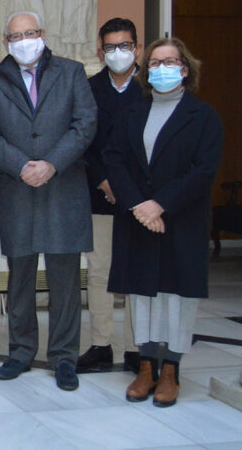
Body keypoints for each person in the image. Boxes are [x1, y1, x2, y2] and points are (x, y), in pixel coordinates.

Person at [0, 10, 96, 391]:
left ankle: (64, 358)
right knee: (20, 278)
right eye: (15, 36)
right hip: (17, 187)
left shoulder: (72, 72)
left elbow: (85, 123)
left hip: (63, 188)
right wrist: (20, 164)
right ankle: (21, 351)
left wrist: (52, 164)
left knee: (64, 281)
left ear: (42, 34)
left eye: (29, 33)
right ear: (6, 41)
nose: (23, 40)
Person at [105, 37, 222, 408]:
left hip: (180, 221)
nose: (162, 68)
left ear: (185, 69)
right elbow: (114, 159)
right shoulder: (132, 113)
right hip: (138, 219)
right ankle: (145, 368)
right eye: (155, 62)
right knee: (142, 297)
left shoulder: (203, 117)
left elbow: (202, 171)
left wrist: (160, 206)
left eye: (170, 61)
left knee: (176, 298)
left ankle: (170, 371)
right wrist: (140, 205)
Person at [77, 18, 142, 374]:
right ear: (100, 51)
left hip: (141, 198)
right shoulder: (88, 89)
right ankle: (101, 344)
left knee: (135, 273)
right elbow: (82, 140)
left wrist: (130, 187)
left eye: (126, 46)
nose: (119, 53)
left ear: (138, 48)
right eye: (111, 47)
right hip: (100, 194)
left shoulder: (150, 89)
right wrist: (103, 179)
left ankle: (135, 347)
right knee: (99, 271)